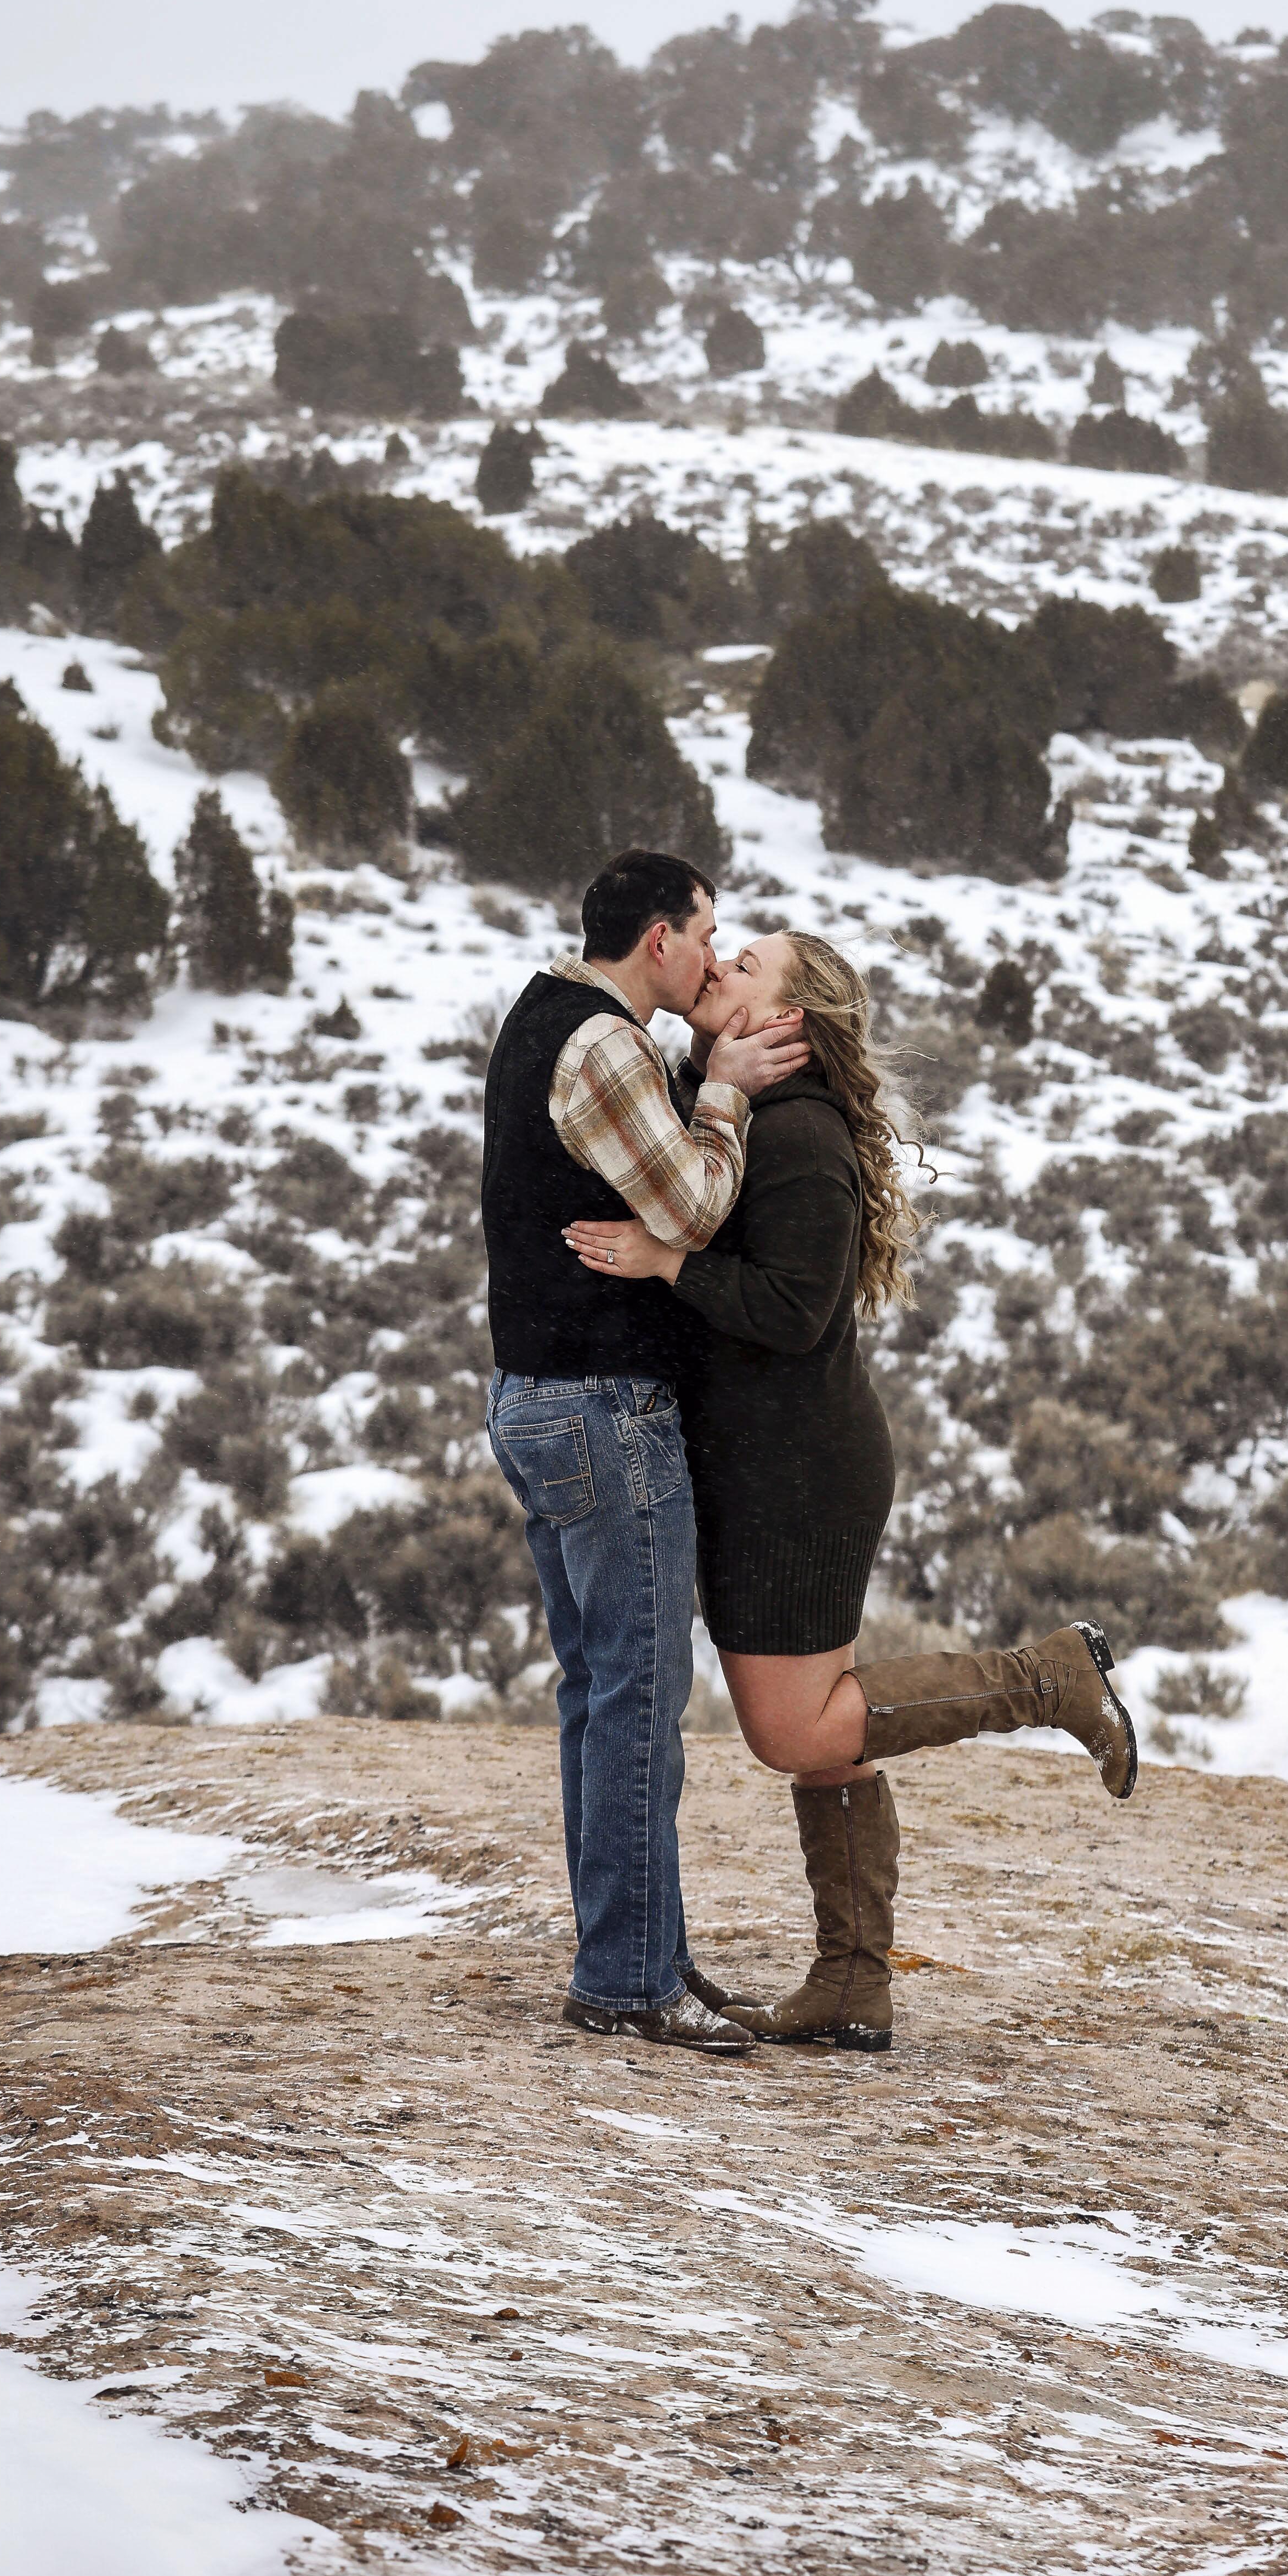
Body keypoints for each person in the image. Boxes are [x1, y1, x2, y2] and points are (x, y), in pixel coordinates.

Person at [563, 927, 1137, 2057]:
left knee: (795, 1729)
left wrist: (667, 1262)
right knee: (825, 1732)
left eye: (745, 967)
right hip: (762, 1463)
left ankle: (1049, 1679)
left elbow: (794, 1311)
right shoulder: (741, 1110)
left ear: (788, 1018)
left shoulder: (801, 1134)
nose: (717, 968)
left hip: (798, 1473)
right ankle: (851, 1983)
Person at [478, 848, 808, 2055]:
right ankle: (625, 1977)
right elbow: (694, 1210)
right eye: (707, 932)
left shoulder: (542, 1017)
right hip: (603, 1408)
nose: (714, 956)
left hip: (540, 1398)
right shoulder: (606, 1045)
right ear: (659, 938)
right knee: (638, 1698)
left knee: (600, 1694)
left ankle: (637, 1953)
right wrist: (723, 1090)